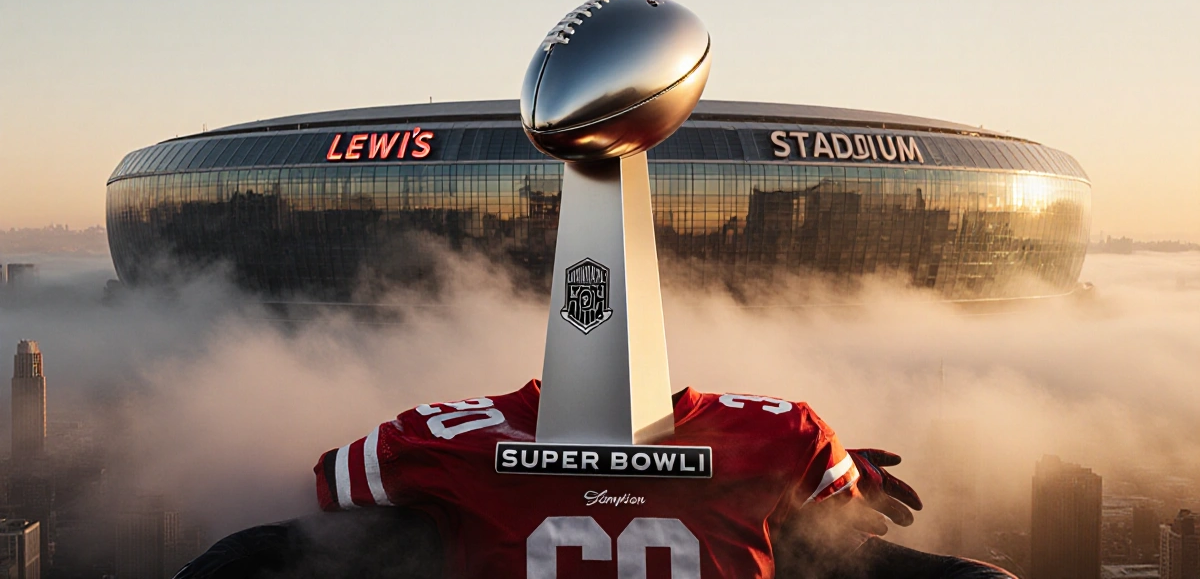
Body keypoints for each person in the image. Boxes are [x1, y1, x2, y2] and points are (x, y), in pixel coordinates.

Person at [177, 381, 1013, 578]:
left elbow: (331, 491)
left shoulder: (446, 435)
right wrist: (838, 471)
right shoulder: (780, 431)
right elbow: (845, 523)